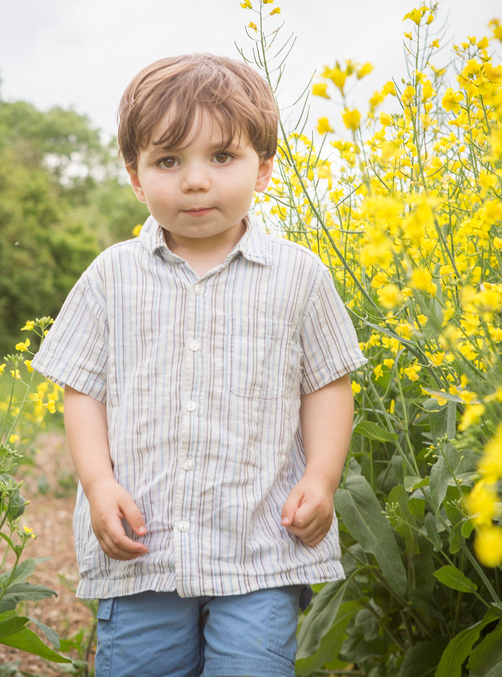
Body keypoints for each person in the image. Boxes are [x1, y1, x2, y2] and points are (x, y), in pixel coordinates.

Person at [30, 53, 366, 677]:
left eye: (221, 157)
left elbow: (328, 382)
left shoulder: (298, 275)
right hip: (144, 551)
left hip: (260, 546)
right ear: (134, 176)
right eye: (167, 161)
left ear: (263, 168)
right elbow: (82, 389)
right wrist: (99, 485)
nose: (194, 181)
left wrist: (321, 476)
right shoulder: (112, 275)